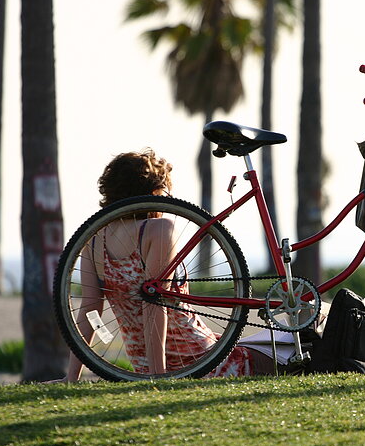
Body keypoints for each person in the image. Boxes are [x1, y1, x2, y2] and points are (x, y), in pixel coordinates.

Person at [50, 149, 273, 382]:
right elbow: (154, 304)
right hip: (203, 362)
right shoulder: (158, 229)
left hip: (151, 367)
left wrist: (71, 377)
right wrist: (159, 377)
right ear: (154, 191)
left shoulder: (93, 237)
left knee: (272, 344)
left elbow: (89, 311)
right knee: (297, 353)